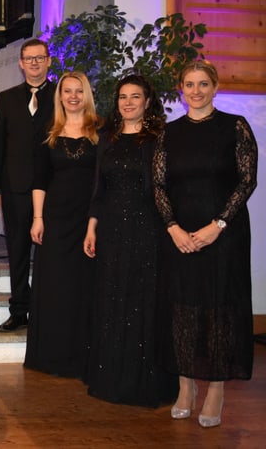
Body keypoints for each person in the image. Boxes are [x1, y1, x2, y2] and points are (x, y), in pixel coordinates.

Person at [153, 60, 257, 428]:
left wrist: (218, 225)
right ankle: (186, 386)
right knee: (182, 308)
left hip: (223, 235)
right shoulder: (169, 132)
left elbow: (246, 182)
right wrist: (173, 228)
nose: (195, 91)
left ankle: (215, 388)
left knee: (218, 308)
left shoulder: (235, 127)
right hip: (179, 236)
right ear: (181, 89)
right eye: (189, 84)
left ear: (215, 87)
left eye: (203, 84)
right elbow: (159, 186)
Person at [82, 74, 177, 407]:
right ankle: (111, 377)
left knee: (144, 300)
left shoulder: (158, 138)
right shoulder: (107, 138)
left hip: (147, 228)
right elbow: (98, 188)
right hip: (110, 228)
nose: (128, 102)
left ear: (147, 102)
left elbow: (165, 188)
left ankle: (144, 381)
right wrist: (92, 226)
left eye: (135, 97)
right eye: (123, 96)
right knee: (112, 298)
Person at [25, 71, 100, 378]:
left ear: (86, 95)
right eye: (67, 91)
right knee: (55, 286)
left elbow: (103, 181)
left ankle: (81, 356)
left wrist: (95, 223)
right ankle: (52, 356)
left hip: (88, 219)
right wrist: (38, 218)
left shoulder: (102, 131)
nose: (72, 96)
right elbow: (39, 179)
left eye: (78, 91)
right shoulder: (49, 131)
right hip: (55, 219)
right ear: (60, 96)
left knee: (83, 287)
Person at [0, 38, 54, 332]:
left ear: (48, 61)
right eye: (29, 59)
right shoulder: (7, 98)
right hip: (14, 187)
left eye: (39, 58)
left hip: (52, 188)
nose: (34, 63)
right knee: (17, 250)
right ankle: (19, 310)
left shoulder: (62, 96)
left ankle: (45, 310)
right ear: (21, 63)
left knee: (47, 253)